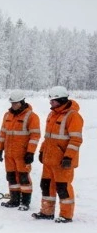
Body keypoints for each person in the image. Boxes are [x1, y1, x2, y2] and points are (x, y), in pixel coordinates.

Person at [32, 86, 83, 223]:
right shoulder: (52, 114)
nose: (50, 103)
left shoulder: (73, 116)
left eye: (53, 101)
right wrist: (42, 151)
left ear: (61, 100)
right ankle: (46, 212)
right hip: (49, 160)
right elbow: (48, 137)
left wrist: (68, 157)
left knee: (63, 188)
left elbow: (76, 139)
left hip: (63, 161)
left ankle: (66, 215)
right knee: (46, 186)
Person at [0, 90, 40, 210]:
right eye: (12, 103)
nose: (13, 105)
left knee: (23, 178)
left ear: (22, 102)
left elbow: (35, 136)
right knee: (11, 177)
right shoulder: (7, 115)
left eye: (16, 103)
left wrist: (30, 152)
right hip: (9, 154)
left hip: (22, 154)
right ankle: (14, 200)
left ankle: (25, 202)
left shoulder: (31, 116)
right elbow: (3, 134)